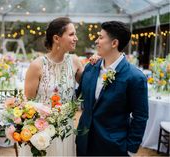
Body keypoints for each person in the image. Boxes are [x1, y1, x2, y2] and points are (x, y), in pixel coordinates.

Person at [76, 21, 149, 156]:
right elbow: (77, 96)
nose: (97, 41)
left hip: (113, 147)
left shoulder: (135, 77)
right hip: (83, 142)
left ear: (114, 43)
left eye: (101, 37)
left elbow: (140, 116)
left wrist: (130, 149)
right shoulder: (90, 67)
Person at [23, 17, 83, 156]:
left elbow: (90, 86)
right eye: (71, 34)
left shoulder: (74, 62)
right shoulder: (37, 65)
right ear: (57, 38)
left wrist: (96, 63)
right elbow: (28, 103)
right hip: (42, 132)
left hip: (66, 130)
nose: (76, 38)